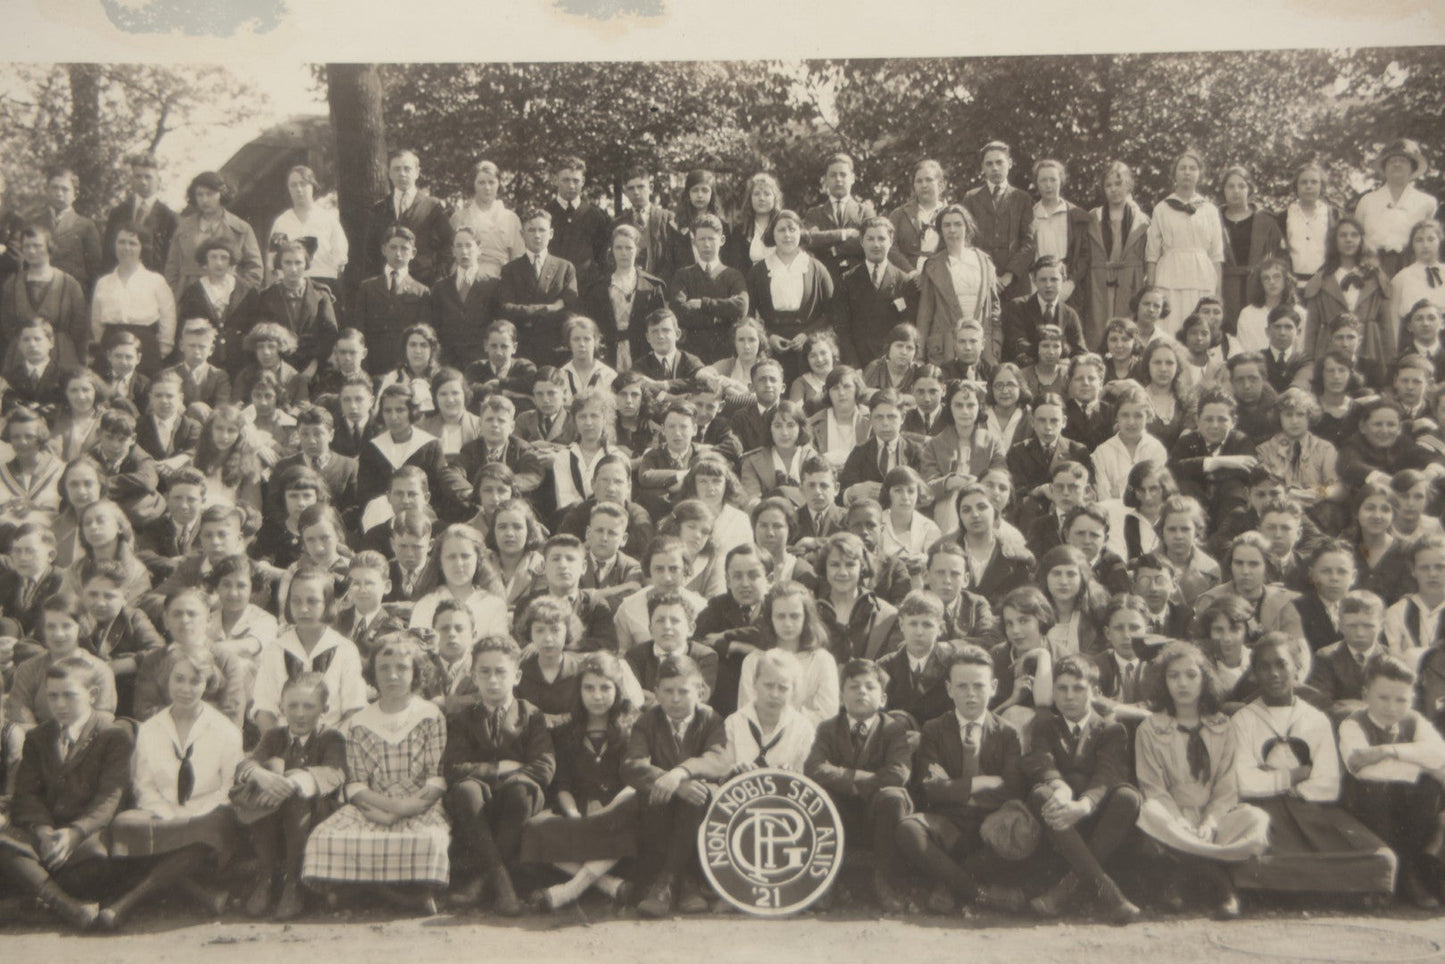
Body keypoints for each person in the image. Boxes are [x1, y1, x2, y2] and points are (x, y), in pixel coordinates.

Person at [1229, 634, 1397, 904]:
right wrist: (1292, 777)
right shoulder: (1243, 720)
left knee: (1382, 858)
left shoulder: (1315, 719)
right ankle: (1331, 889)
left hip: (1312, 810)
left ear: (1296, 667)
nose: (1274, 674)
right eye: (1264, 666)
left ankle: (1289, 888)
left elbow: (1328, 783)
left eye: (1281, 664)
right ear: (1254, 673)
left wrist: (1274, 779)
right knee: (1251, 860)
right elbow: (1245, 782)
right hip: (1265, 811)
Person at [302, 634, 452, 914]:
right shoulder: (360, 721)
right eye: (384, 668)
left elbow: (436, 778)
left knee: (430, 839)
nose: (392, 675)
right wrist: (388, 808)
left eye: (402, 668)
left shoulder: (430, 716)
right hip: (373, 805)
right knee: (325, 835)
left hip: (421, 804)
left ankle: (382, 891)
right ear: (373, 673)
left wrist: (403, 809)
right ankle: (382, 891)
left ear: (416, 673)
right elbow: (357, 784)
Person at [101, 647, 243, 930]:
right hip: (162, 813)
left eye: (195, 681)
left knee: (214, 825)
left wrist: (193, 815)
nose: (186, 689)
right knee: (122, 824)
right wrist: (168, 814)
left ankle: (126, 904)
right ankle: (199, 893)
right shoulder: (151, 729)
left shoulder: (225, 730)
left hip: (207, 814)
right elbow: (144, 784)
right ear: (167, 680)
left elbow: (228, 786)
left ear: (208, 684)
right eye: (179, 679)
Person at [1134, 642, 1269, 918]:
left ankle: (1181, 876)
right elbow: (1153, 787)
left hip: (1213, 819)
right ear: (1163, 682)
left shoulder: (1222, 726)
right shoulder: (1150, 729)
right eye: (1174, 676)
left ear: (1204, 679)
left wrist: (1210, 821)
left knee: (1256, 819)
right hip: (1172, 818)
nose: (1182, 683)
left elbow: (1226, 785)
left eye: (1191, 675)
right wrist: (1179, 819)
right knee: (1150, 812)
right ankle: (1222, 885)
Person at [0, 656, 133, 930]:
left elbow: (109, 799)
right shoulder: (38, 737)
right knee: (5, 847)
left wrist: (75, 833)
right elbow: (27, 794)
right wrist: (44, 831)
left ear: (92, 695)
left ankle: (33, 902)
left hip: (86, 839)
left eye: (69, 696)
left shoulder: (113, 736)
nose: (59, 704)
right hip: (44, 839)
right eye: (53, 696)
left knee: (99, 860)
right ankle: (70, 909)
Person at [894, 644, 1028, 915]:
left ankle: (949, 887)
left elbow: (1012, 788)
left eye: (978, 686)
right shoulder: (934, 729)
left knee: (1023, 829)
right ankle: (980, 895)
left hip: (992, 826)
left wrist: (952, 787)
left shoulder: (1008, 733)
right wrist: (983, 782)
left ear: (993, 687)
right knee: (908, 829)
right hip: (949, 825)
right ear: (949, 689)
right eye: (962, 686)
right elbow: (930, 791)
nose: (970, 695)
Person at [1021, 654, 1142, 923]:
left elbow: (1106, 773)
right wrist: (1061, 789)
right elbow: (1041, 761)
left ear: (1095, 692)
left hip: (1098, 819)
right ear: (1053, 692)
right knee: (1042, 794)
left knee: (1128, 796)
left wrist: (1084, 805)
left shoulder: (1111, 729)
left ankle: (1065, 890)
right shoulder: (1045, 726)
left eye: (1078, 688)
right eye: (1062, 689)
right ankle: (1110, 894)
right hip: (1061, 822)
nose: (1069, 696)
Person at [443, 634, 556, 916]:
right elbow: (454, 768)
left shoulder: (531, 715)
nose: (492, 680)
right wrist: (499, 768)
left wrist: (508, 778)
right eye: (484, 672)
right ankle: (502, 883)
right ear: (473, 675)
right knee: (466, 790)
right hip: (476, 804)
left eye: (500, 672)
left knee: (521, 789)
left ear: (516, 676)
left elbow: (544, 766)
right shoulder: (462, 718)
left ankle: (483, 881)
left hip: (517, 802)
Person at [519, 650, 638, 911]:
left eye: (605, 688)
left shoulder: (631, 730)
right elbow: (562, 785)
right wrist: (574, 815)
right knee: (535, 828)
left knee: (632, 816)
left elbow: (634, 782)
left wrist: (607, 812)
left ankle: (570, 890)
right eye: (589, 688)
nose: (597, 696)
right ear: (579, 690)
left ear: (617, 690)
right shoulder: (566, 733)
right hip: (580, 809)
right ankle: (608, 884)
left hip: (617, 810)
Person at [234, 671, 347, 921]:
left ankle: (293, 882)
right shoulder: (275, 736)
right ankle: (266, 877)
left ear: (324, 708)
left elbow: (334, 773)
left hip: (316, 815)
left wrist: (295, 781)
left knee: (294, 793)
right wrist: (263, 777)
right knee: (268, 772)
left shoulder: (331, 737)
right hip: (272, 815)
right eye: (292, 706)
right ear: (282, 708)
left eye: (309, 706)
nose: (300, 713)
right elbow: (247, 765)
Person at [805, 658, 915, 912]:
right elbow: (814, 768)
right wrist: (859, 779)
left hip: (878, 813)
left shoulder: (893, 729)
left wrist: (849, 779)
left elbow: (898, 773)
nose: (862, 692)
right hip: (840, 809)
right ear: (842, 696)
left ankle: (884, 880)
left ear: (883, 698)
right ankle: (825, 881)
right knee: (821, 795)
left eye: (870, 687)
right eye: (854, 687)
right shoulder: (828, 728)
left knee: (893, 796)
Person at [623, 653, 728, 917]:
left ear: (700, 691)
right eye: (668, 691)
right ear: (657, 692)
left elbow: (717, 760)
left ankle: (667, 883)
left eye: (684, 690)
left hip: (696, 809)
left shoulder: (711, 719)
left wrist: (681, 773)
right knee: (664, 794)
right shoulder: (647, 721)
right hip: (660, 809)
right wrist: (672, 783)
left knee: (698, 793)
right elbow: (633, 765)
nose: (676, 698)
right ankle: (687, 883)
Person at [1338, 653, 1445, 909]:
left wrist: (1388, 751)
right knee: (1393, 785)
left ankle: (1407, 873)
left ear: (1412, 699)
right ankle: (1382, 879)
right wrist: (1420, 767)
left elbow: (1440, 753)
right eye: (1383, 698)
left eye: (1401, 700)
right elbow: (1362, 770)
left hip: (1408, 811)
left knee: (1428, 789)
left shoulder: (1414, 721)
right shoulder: (1353, 724)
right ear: (1366, 694)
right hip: (1366, 806)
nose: (1392, 707)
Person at [747, 209, 835, 382]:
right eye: (781, 230)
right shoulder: (758, 271)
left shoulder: (817, 268)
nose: (787, 235)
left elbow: (833, 311)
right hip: (772, 349)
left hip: (809, 349)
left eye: (792, 229)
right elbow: (749, 314)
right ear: (772, 234)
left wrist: (808, 334)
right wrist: (768, 336)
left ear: (800, 232)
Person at [1145, 150, 1224, 338]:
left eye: (1192, 168)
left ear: (1200, 174)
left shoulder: (1209, 210)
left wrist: (1217, 294)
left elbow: (1216, 255)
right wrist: (1152, 290)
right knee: (1170, 328)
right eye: (1182, 168)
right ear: (1174, 174)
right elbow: (1152, 255)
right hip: (1170, 277)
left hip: (1202, 277)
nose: (1187, 172)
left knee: (1199, 329)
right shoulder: (1162, 208)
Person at [917, 203, 1003, 370]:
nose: (952, 230)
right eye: (946, 225)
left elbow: (994, 308)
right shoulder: (933, 265)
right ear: (940, 230)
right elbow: (925, 313)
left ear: (967, 228)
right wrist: (919, 354)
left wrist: (996, 342)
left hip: (981, 344)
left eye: (958, 224)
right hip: (945, 344)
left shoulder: (984, 261)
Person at [497, 209, 579, 366]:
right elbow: (506, 307)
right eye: (531, 230)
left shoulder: (565, 267)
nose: (537, 235)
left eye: (542, 230)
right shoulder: (510, 269)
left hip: (555, 346)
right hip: (523, 346)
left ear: (551, 233)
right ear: (522, 234)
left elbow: (570, 302)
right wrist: (549, 308)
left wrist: (527, 310)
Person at [0, 226, 89, 370]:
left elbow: (80, 329)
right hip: (21, 358)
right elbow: (6, 324)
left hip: (62, 357)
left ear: (49, 247)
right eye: (27, 246)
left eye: (37, 246)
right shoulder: (12, 284)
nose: (32, 251)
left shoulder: (69, 284)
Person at [91, 223, 177, 372]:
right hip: (111, 342)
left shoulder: (155, 281)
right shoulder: (103, 282)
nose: (126, 248)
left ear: (142, 247)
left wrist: (163, 347)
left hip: (145, 345)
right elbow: (96, 321)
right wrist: (104, 343)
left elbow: (168, 316)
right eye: (121, 242)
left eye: (132, 243)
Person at [362, 149, 454, 286]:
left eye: (407, 169)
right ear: (390, 174)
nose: (402, 174)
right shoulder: (379, 209)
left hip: (424, 285)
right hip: (388, 285)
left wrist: (438, 275)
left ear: (417, 172)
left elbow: (449, 243)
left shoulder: (432, 207)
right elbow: (371, 250)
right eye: (397, 169)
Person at [353, 226, 437, 377]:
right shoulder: (367, 287)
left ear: (413, 253)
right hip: (372, 363)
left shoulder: (421, 291)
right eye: (393, 247)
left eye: (404, 248)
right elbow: (359, 328)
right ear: (384, 250)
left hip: (405, 365)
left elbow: (423, 333)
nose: (398, 253)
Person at [583, 224, 668, 370]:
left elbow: (660, 325)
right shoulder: (598, 288)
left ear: (637, 250)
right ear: (612, 250)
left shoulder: (652, 286)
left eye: (629, 248)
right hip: (607, 357)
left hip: (643, 356)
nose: (624, 253)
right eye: (619, 248)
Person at [165, 171, 263, 297]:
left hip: (227, 296)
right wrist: (176, 294)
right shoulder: (184, 228)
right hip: (189, 296)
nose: (204, 200)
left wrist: (240, 296)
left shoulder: (240, 228)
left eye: (209, 194)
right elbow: (172, 268)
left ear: (221, 194)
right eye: (200, 195)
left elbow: (255, 269)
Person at [1085, 161, 1151, 347]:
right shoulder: (1093, 218)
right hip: (1099, 280)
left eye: (1118, 184)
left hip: (1130, 279)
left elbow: (1149, 256)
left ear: (1129, 185)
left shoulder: (1142, 221)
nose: (1114, 189)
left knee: (1127, 326)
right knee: (1099, 327)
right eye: (1108, 185)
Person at [1353, 138, 1439, 280]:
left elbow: (1432, 244)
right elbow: (1356, 240)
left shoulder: (1427, 203)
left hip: (1413, 268)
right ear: (1384, 168)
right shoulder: (1367, 201)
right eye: (1392, 161)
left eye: (1403, 160)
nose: (1397, 164)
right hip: (1373, 270)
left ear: (1413, 167)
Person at [834, 217, 915, 367]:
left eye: (881, 239)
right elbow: (842, 328)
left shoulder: (904, 281)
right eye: (870, 239)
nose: (876, 244)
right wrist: (853, 364)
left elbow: (906, 330)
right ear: (861, 242)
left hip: (891, 363)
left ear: (890, 241)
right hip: (857, 362)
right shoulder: (847, 280)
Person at [256, 238, 341, 381]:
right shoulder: (267, 297)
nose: (293, 269)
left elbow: (330, 334)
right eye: (287, 263)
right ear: (280, 265)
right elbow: (264, 335)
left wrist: (313, 366)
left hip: (315, 369)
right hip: (279, 369)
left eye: (298, 263)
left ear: (306, 264)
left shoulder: (320, 294)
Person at [962, 141, 1035, 302]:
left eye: (999, 162)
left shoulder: (1022, 198)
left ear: (1009, 164)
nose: (994, 168)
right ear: (982, 167)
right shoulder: (971, 198)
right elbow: (966, 241)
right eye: (989, 164)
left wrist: (1008, 276)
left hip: (1016, 282)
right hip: (980, 280)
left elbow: (1029, 243)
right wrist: (987, 275)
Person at [723, 648, 816, 771]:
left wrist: (791, 775)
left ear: (794, 690)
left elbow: (808, 781)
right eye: (768, 685)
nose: (774, 694)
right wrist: (734, 771)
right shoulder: (733, 724)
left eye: (783, 688)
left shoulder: (804, 730)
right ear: (755, 682)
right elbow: (722, 775)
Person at [1218, 166, 1286, 328]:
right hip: (1225, 287)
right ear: (1223, 190)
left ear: (1250, 189)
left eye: (1241, 186)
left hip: (1258, 286)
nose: (1236, 191)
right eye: (1231, 186)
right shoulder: (1213, 219)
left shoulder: (1267, 221)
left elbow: (1281, 255)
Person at [265, 164, 349, 296]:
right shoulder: (282, 222)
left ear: (312, 186)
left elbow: (340, 258)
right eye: (293, 185)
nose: (298, 189)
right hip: (290, 286)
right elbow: (273, 261)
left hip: (322, 282)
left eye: (303, 184)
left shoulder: (328, 218)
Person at [1002, 255, 1087, 367]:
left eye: (1054, 279)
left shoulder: (1070, 314)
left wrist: (1069, 364)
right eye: (1043, 280)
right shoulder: (1017, 307)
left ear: (1064, 280)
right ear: (1034, 280)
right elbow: (1018, 346)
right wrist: (1059, 354)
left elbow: (1081, 352)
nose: (1048, 285)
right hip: (1025, 372)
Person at [449, 159, 524, 280]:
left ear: (498, 184)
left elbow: (518, 257)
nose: (487, 187)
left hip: (501, 278)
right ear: (473, 184)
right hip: (467, 277)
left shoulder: (511, 218)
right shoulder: (459, 217)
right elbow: (451, 254)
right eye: (481, 183)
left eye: (491, 182)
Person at [103, 153, 177, 274]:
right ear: (132, 180)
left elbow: (171, 261)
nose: (143, 182)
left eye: (148, 177)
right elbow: (107, 255)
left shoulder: (170, 218)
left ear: (159, 181)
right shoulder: (117, 213)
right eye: (138, 176)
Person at [543, 156, 611, 285]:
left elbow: (602, 258)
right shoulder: (545, 215)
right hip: (552, 286)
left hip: (587, 289)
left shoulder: (595, 216)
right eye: (566, 180)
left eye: (576, 180)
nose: (571, 185)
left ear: (583, 181)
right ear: (556, 180)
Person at [33, 167, 102, 292]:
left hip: (72, 295)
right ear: (47, 190)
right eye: (54, 188)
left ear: (75, 194)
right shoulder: (34, 223)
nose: (59, 193)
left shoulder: (86, 226)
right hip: (39, 293)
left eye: (65, 189)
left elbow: (94, 270)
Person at [615, 167, 677, 279]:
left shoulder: (667, 219)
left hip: (662, 286)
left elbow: (675, 257)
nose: (636, 192)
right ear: (625, 192)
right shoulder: (618, 223)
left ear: (651, 188)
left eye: (640, 187)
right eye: (631, 188)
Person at [724, 172, 784, 273]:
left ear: (775, 198)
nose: (761, 198)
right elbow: (735, 268)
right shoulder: (740, 230)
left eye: (767, 194)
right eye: (756, 194)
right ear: (750, 198)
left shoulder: (783, 226)